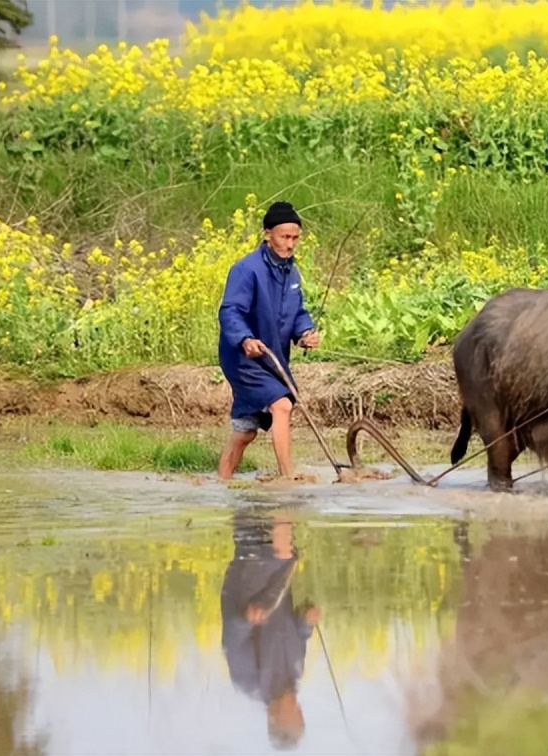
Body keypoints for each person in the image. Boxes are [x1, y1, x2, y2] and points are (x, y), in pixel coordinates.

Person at [217, 201, 321, 481]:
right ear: (267, 234)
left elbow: (296, 312)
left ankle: (222, 482)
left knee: (246, 430)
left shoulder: (291, 272)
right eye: (284, 237)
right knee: (282, 405)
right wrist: (245, 339)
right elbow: (230, 311)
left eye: (295, 238)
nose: (290, 244)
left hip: (272, 357)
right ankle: (288, 479)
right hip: (243, 357)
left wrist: (305, 333)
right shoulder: (246, 269)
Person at [220, 507, 320, 750]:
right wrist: (307, 622)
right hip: (277, 575)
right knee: (273, 529)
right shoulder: (296, 673)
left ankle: (280, 496)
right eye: (299, 714)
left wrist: (246, 619)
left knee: (277, 541)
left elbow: (232, 639)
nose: (297, 707)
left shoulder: (248, 681)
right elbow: (298, 634)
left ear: (273, 719)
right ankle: (275, 496)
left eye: (292, 715)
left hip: (248, 579)